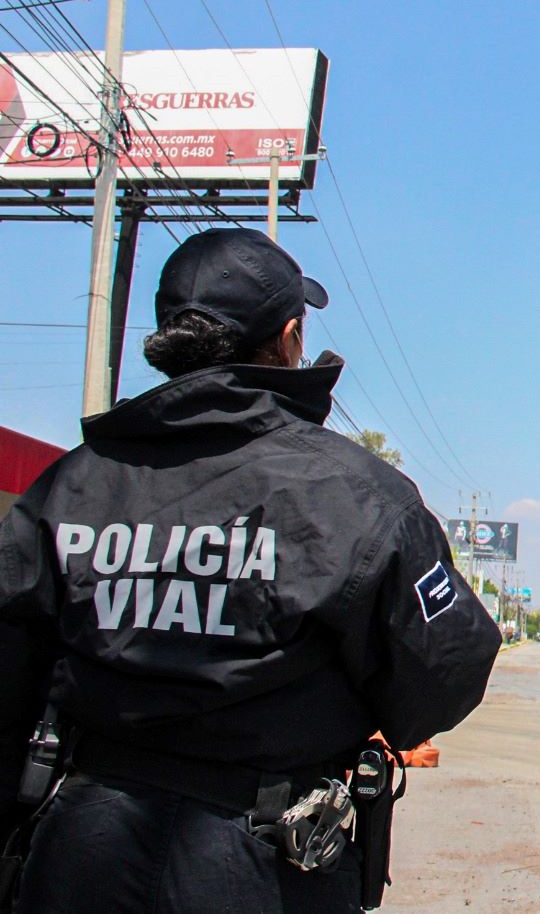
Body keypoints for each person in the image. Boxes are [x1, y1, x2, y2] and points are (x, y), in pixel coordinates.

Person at [0, 228, 501, 912]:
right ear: (290, 338)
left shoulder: (70, 485)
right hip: (261, 865)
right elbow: (443, 675)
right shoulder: (356, 494)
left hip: (79, 851)